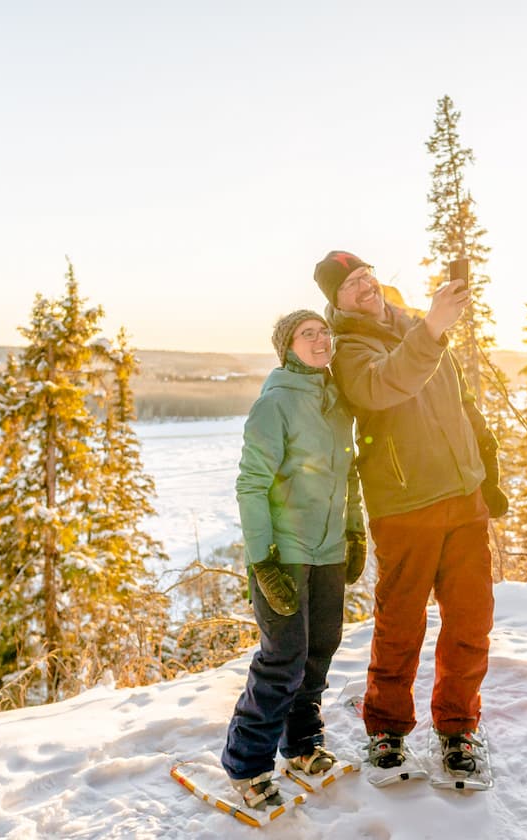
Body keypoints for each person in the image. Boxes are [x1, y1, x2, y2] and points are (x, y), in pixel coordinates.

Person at [312, 250, 507, 783]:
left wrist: (485, 468)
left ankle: (458, 727)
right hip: (404, 505)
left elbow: (461, 401)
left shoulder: (414, 325)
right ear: (336, 301)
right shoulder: (348, 350)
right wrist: (435, 327)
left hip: (462, 499)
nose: (364, 287)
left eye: (366, 276)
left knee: (471, 620)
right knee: (401, 624)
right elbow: (386, 384)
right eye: (350, 285)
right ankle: (387, 730)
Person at [220, 309, 367, 809]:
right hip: (284, 552)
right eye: (308, 334)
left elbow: (348, 475)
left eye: (323, 331)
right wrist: (264, 562)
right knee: (282, 659)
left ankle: (302, 745)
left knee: (320, 648)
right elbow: (251, 484)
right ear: (287, 346)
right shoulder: (275, 403)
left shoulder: (336, 401)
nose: (320, 338)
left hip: (327, 549)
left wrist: (355, 531)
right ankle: (247, 764)